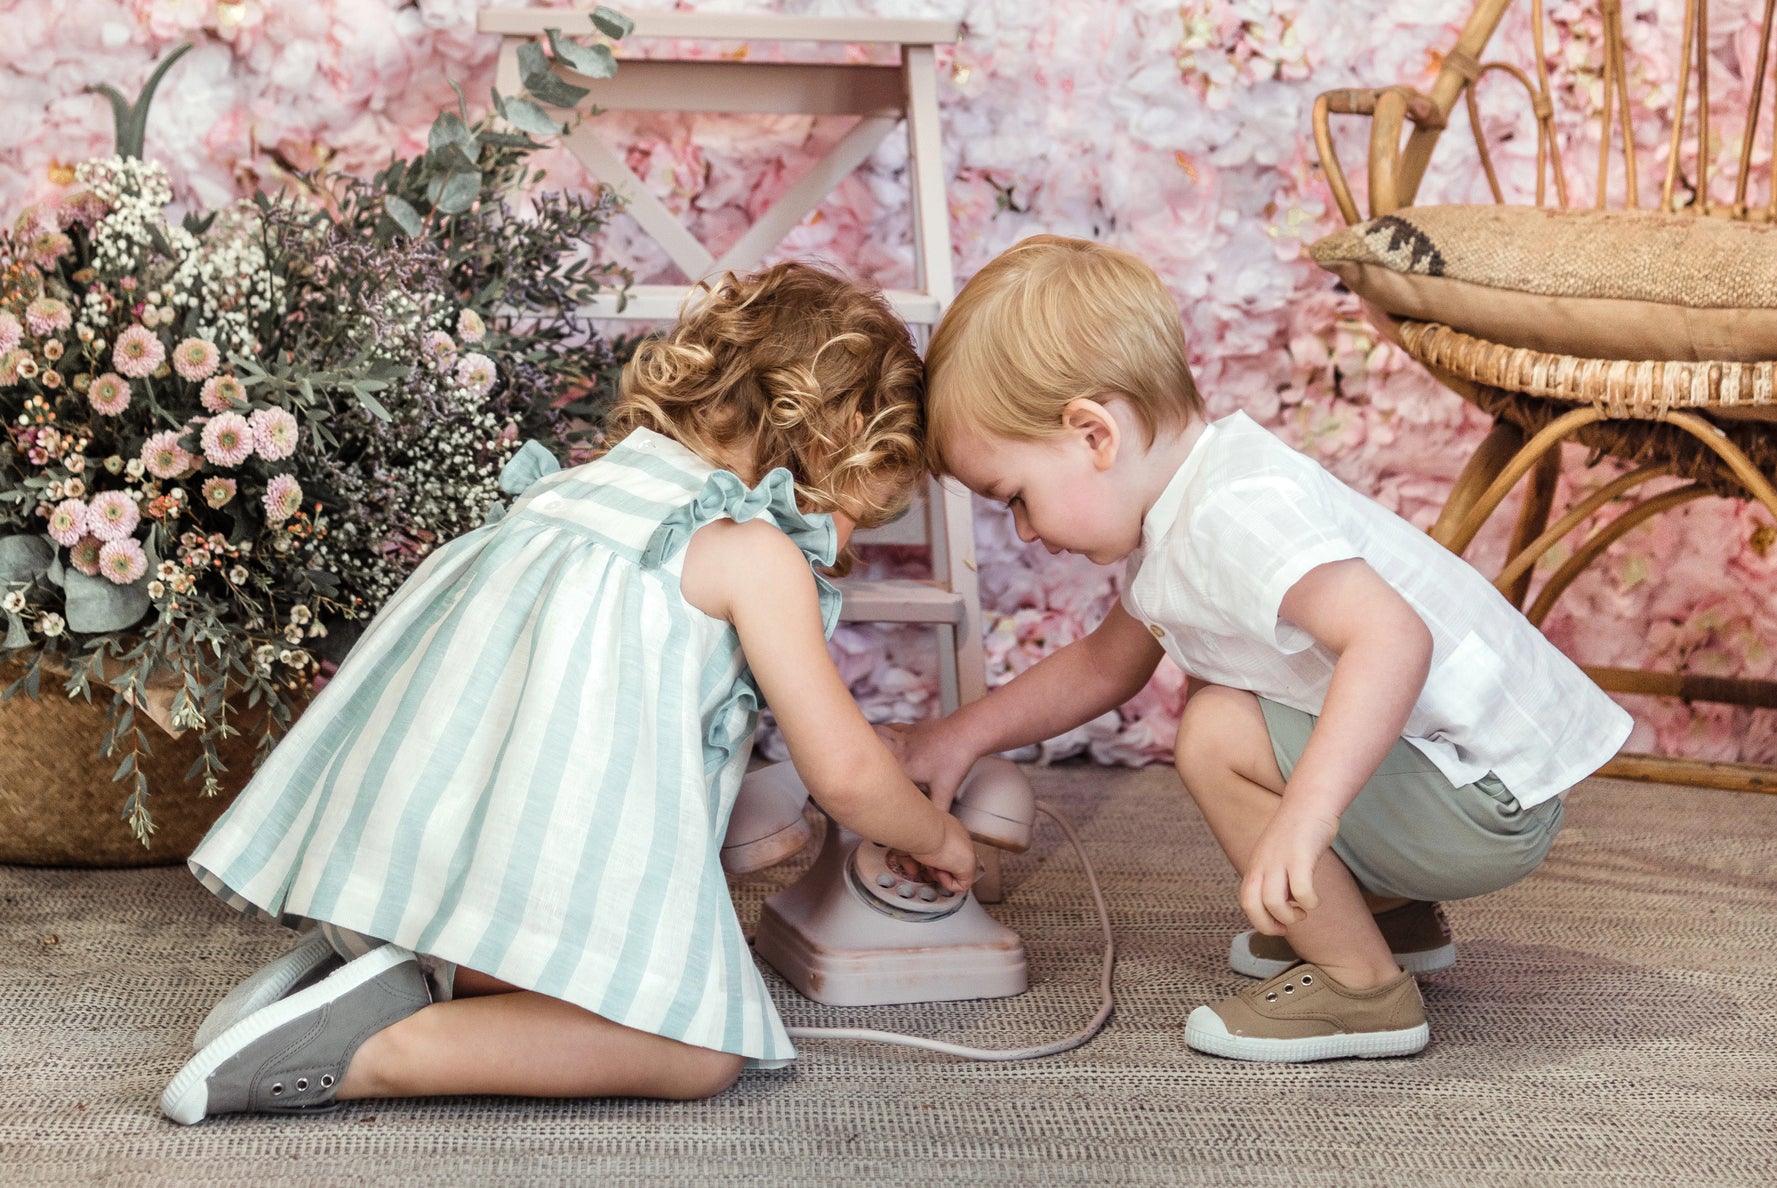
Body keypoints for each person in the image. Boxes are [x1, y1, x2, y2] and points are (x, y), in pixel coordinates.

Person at [161, 262, 979, 1124]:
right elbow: (846, 772)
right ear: (839, 435)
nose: (836, 550)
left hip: (392, 881)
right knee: (698, 1050)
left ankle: (366, 979)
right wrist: (937, 834)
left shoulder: (567, 490)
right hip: (496, 920)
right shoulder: (753, 549)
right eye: (852, 515)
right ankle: (373, 1052)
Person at [882, 235, 1631, 1063]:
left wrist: (1307, 817)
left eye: (1015, 497)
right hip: (1471, 778)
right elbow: (1106, 665)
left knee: (1215, 731)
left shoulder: (1229, 514)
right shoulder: (1191, 505)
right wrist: (956, 736)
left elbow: (1391, 636)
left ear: (1093, 434)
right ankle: (1389, 917)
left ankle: (1362, 987)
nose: (1023, 530)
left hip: (1485, 797)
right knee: (1230, 713)